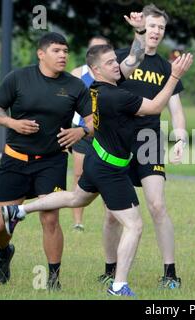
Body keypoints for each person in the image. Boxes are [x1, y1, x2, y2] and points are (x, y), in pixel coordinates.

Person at [0, 44, 194, 296]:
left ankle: (18, 210)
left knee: (74, 197)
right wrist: (175, 76)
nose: (117, 64)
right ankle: (119, 285)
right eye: (111, 63)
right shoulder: (115, 96)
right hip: (110, 169)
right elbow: (156, 107)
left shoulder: (98, 88)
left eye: (116, 60)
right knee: (134, 226)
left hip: (95, 158)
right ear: (96, 70)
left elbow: (129, 64)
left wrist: (139, 36)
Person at [0, 32, 93, 290]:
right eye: (57, 51)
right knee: (2, 224)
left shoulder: (74, 86)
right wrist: (12, 122)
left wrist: (81, 131)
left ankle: (53, 279)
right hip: (15, 160)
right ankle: (4, 252)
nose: (63, 56)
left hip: (52, 161)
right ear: (41, 54)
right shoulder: (18, 78)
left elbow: (93, 120)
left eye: (65, 51)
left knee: (50, 219)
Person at [102, 4, 187, 289]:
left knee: (157, 205)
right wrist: (137, 33)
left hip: (148, 140)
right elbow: (132, 61)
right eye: (152, 26)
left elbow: (175, 108)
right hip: (117, 140)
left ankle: (170, 272)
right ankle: (111, 269)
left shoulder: (166, 67)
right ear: (142, 28)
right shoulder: (122, 60)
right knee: (113, 215)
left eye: (161, 28)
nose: (156, 32)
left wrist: (181, 138)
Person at [69, 36, 111, 232]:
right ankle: (78, 222)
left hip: (105, 134)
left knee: (108, 176)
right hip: (83, 133)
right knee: (79, 174)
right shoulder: (78, 74)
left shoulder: (113, 73)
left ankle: (111, 218)